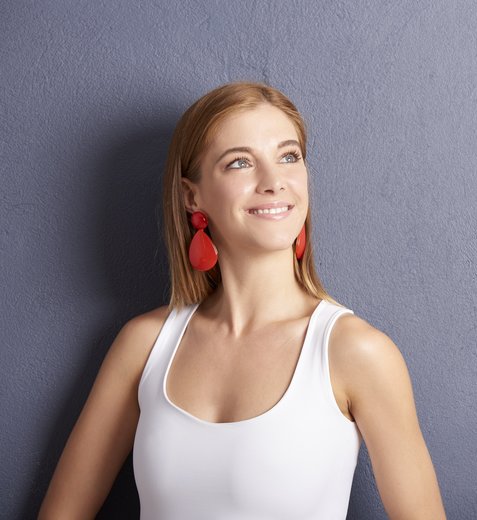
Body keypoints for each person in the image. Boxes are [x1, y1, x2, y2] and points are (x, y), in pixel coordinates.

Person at [38, 81, 447, 519]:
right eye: (240, 163)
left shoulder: (356, 352)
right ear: (191, 196)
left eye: (288, 156)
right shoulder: (144, 344)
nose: (274, 182)